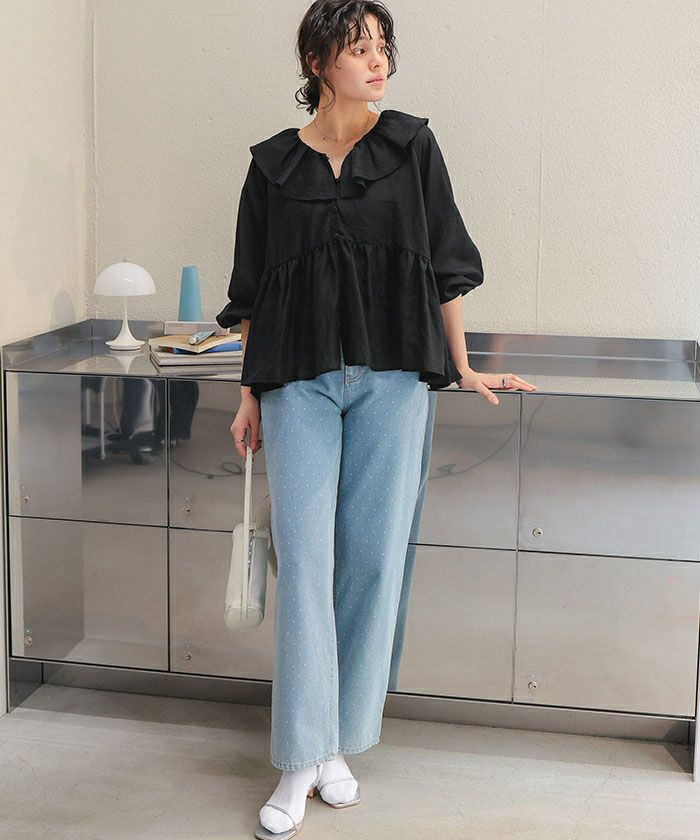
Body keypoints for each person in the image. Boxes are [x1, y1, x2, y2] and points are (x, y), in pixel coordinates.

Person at [216, 2, 537, 837]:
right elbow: (252, 289)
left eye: (383, 47)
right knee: (305, 564)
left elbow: (446, 268)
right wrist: (250, 392)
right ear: (318, 60)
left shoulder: (412, 146)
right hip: (297, 382)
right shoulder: (271, 166)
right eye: (360, 48)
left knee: (370, 563)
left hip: (393, 378)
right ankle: (298, 756)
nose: (378, 61)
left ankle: (335, 745)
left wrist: (462, 365)